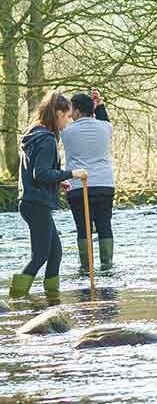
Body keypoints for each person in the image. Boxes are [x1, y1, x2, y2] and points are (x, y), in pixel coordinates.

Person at [9, 92, 88, 297]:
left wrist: (58, 180)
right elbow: (42, 173)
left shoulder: (34, 133)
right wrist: (71, 173)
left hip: (31, 201)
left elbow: (37, 172)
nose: (68, 121)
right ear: (58, 113)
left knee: (54, 253)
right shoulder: (46, 139)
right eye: (67, 117)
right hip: (36, 203)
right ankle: (16, 298)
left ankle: (52, 299)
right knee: (41, 255)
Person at [61, 88, 115, 268]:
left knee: (83, 227)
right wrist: (99, 104)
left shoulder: (66, 132)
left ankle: (86, 267)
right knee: (104, 225)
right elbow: (103, 118)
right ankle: (107, 265)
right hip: (104, 184)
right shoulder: (106, 128)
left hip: (78, 185)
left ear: (76, 110)